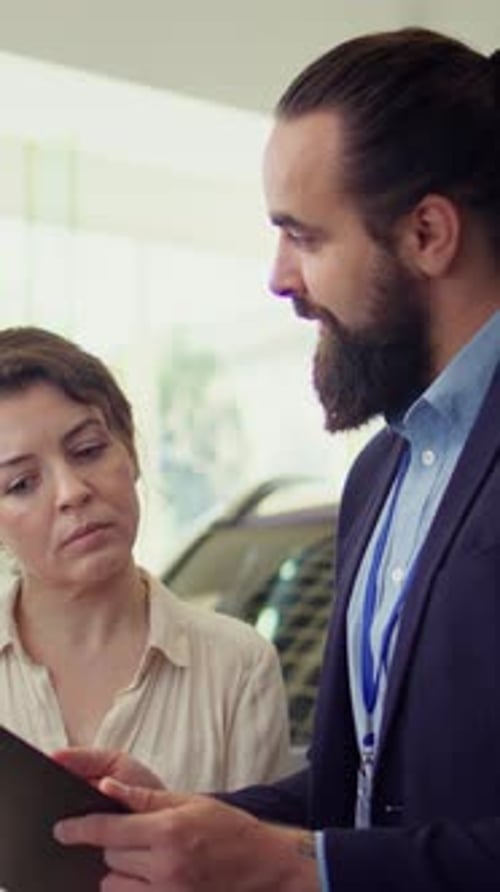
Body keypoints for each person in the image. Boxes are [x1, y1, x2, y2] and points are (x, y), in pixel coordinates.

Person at [54, 26, 500, 891]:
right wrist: (197, 819)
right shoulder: (383, 472)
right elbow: (361, 797)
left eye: (304, 236)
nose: (278, 277)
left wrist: (294, 868)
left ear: (429, 234)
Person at [0, 325, 290, 793]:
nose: (73, 492)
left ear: (130, 451)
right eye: (21, 484)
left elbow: (257, 857)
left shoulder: (237, 666)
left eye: (88, 451)